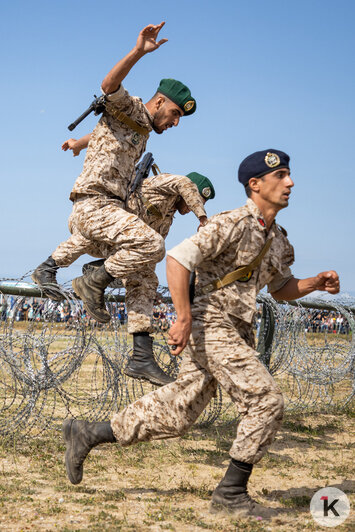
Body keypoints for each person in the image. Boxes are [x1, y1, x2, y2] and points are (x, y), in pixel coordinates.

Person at [62, 149, 340, 518]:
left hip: (237, 331)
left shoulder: (278, 239)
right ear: (255, 185)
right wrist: (183, 317)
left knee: (177, 412)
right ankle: (231, 492)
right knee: (265, 401)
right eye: (281, 176)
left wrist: (314, 284)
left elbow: (280, 288)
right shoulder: (231, 223)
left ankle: (88, 433)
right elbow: (178, 259)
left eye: (289, 175)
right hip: (211, 323)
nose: (290, 183)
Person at [31, 21, 197, 385]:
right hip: (94, 205)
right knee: (153, 245)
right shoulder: (134, 107)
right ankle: (95, 278)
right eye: (174, 115)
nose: (174, 123)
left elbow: (109, 132)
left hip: (108, 210)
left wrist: (80, 142)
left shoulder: (138, 126)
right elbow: (108, 87)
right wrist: (139, 51)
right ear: (159, 102)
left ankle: (141, 355)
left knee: (144, 276)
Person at [53, 163, 215, 385]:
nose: (192, 207)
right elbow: (182, 183)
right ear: (190, 192)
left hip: (118, 245)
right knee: (146, 258)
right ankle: (77, 275)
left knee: (146, 279)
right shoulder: (164, 183)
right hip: (98, 227)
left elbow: (146, 255)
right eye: (196, 200)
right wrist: (203, 218)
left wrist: (147, 292)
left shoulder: (167, 218)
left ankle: (141, 356)